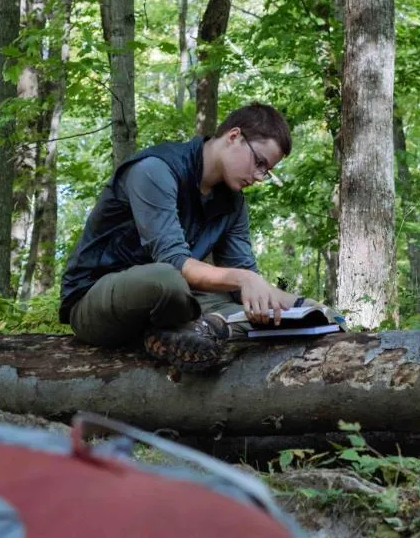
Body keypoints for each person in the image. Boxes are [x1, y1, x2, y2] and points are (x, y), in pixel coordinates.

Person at [59, 103, 303, 373]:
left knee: (255, 310)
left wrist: (304, 306)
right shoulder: (155, 170)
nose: (259, 176)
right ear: (234, 137)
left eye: (266, 171)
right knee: (166, 281)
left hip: (176, 303)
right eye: (259, 163)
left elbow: (243, 280)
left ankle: (181, 334)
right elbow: (174, 262)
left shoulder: (233, 204)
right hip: (95, 300)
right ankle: (191, 330)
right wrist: (245, 279)